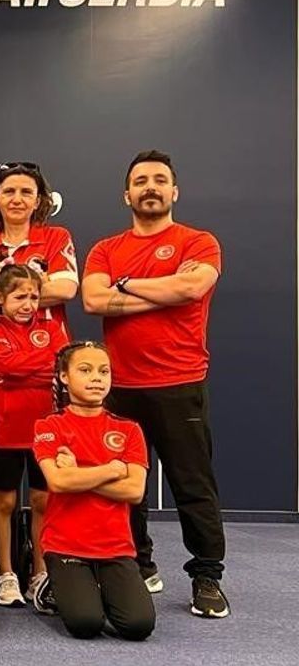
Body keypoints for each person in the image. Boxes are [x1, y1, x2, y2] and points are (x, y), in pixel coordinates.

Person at [82, 150, 228, 618]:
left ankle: (207, 576)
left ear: (174, 191)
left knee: (193, 485)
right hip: (119, 386)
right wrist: (160, 289)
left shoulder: (198, 242)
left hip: (179, 382)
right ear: (127, 194)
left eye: (159, 180)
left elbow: (191, 289)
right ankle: (137, 565)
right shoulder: (106, 249)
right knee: (124, 484)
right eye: (141, 181)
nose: (150, 187)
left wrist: (124, 285)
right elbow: (93, 300)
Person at [35, 341, 155, 640]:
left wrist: (78, 472)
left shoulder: (129, 430)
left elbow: (134, 491)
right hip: (65, 544)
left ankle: (95, 587)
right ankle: (53, 585)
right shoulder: (49, 426)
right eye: (85, 370)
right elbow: (58, 482)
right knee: (86, 623)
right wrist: (111, 469)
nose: (96, 379)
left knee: (138, 626)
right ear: (64, 376)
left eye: (104, 371)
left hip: (116, 546)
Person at [0, 160, 77, 437]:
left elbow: (66, 289)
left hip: (48, 356)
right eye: (9, 191)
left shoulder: (56, 237)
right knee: (3, 450)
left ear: (38, 200)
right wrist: (40, 282)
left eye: (26, 192)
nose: (17, 199)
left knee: (50, 448)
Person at [0, 264, 69, 607]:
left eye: (33, 297)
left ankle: (40, 573)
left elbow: (60, 366)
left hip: (46, 430)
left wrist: (20, 371)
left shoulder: (52, 327)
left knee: (43, 500)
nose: (28, 304)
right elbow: (5, 367)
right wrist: (36, 367)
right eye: (19, 297)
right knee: (5, 502)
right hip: (7, 428)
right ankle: (6, 573)